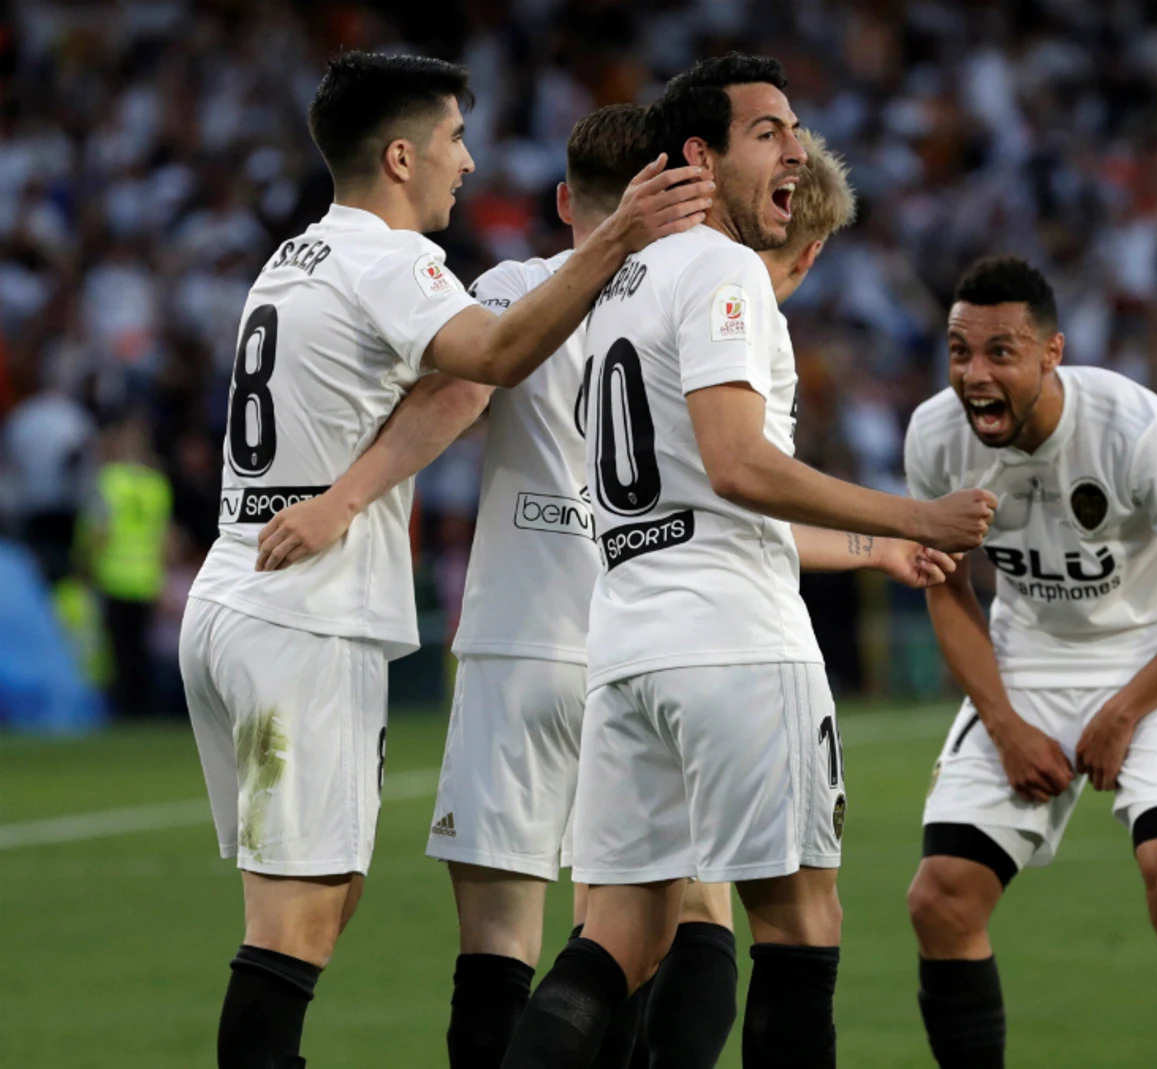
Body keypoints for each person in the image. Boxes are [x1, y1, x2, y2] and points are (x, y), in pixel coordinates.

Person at [180, 51, 713, 1069]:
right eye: (453, 140)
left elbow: (452, 392)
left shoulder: (294, 256)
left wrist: (344, 493)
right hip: (308, 615)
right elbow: (499, 359)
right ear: (398, 155)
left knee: (322, 901)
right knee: (291, 929)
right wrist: (621, 240)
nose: (467, 164)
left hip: (238, 582)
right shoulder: (396, 263)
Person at [499, 53, 995, 1069]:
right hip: (733, 639)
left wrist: (876, 543)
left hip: (630, 642)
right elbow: (736, 464)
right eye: (767, 130)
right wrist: (919, 515)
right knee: (800, 924)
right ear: (696, 155)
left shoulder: (610, 286)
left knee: (616, 939)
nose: (796, 147)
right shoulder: (722, 272)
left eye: (796, 128)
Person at [901, 256, 1157, 1069]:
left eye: (1000, 352)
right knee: (940, 899)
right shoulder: (933, 437)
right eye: (959, 352)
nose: (974, 374)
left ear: (1051, 352)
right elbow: (947, 593)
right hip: (1026, 661)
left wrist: (1127, 710)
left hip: (1156, 659)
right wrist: (1004, 721)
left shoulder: (1135, 429)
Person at [79, 412, 171, 717]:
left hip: (114, 575)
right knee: (141, 652)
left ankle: (121, 713)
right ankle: (142, 712)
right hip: (146, 577)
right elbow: (164, 539)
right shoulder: (156, 484)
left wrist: (85, 565)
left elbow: (98, 533)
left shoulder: (109, 482)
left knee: (118, 652)